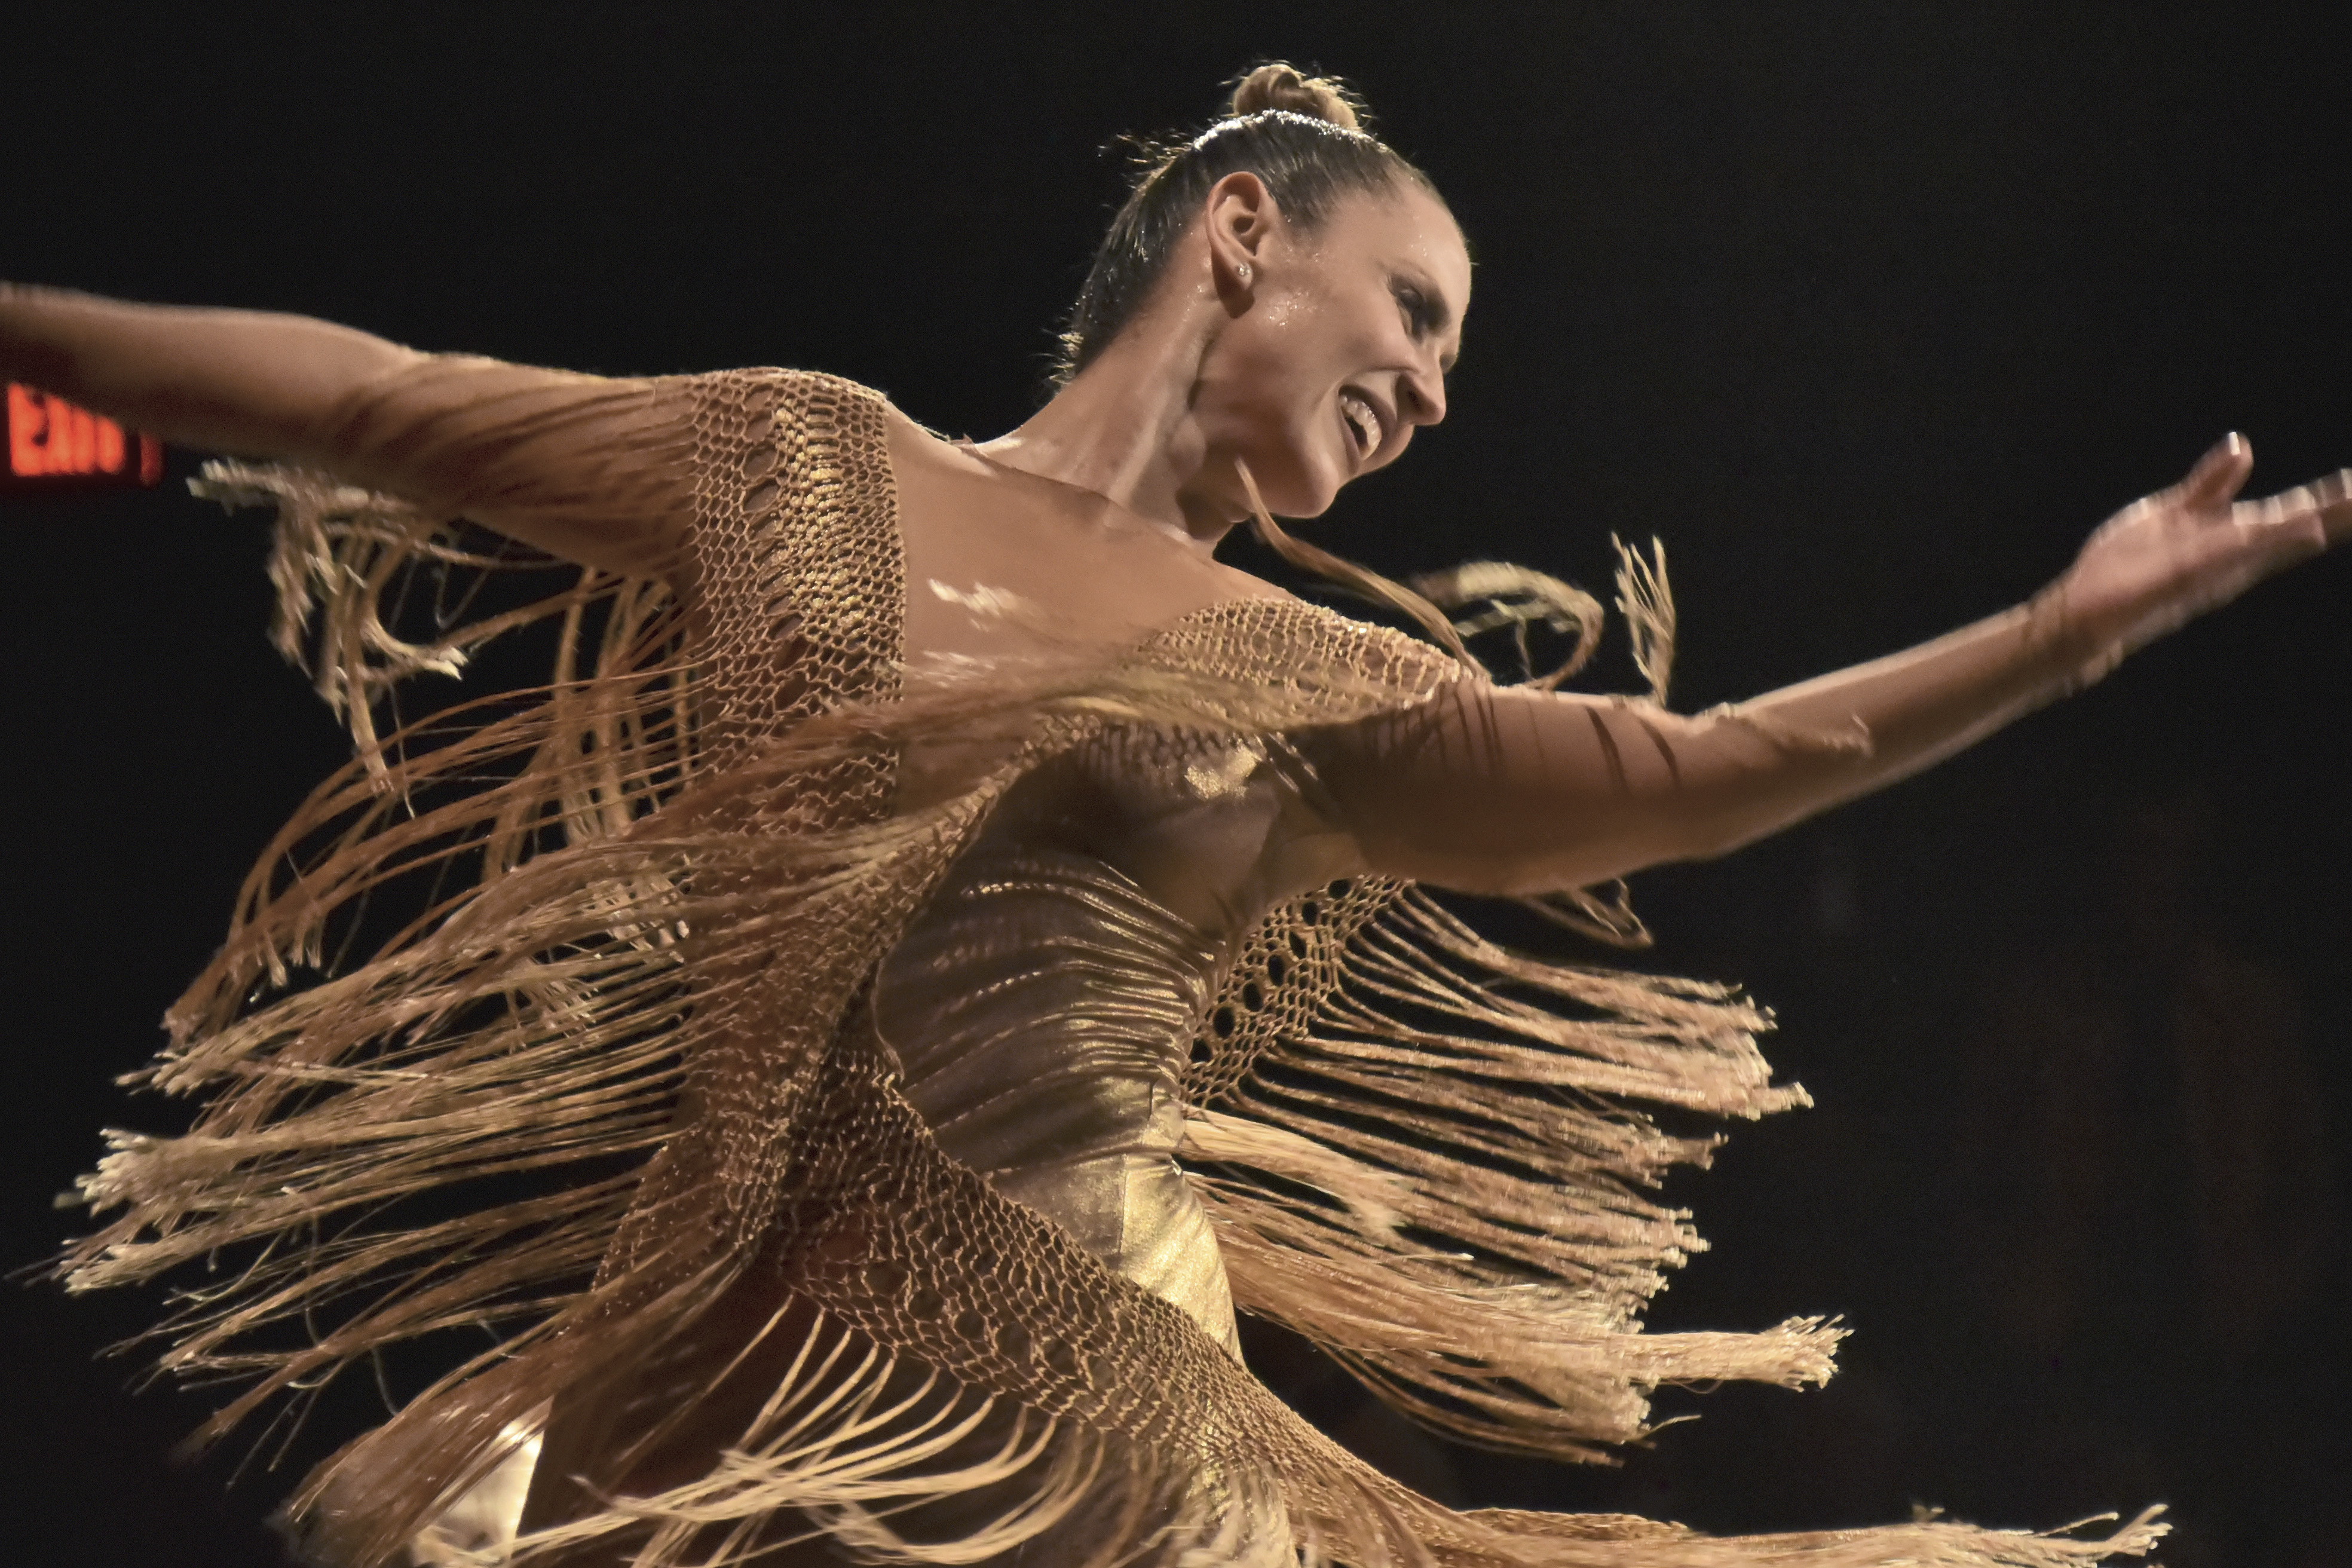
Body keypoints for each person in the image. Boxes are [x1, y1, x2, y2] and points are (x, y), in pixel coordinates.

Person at [5, 63, 2344, 1568]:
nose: (1434, 384)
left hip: (1089, 1425)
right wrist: (34, 324)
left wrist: (2068, 621)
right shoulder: (805, 467)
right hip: (711, 1369)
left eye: (1455, 357)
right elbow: (384, 396)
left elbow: (1702, 767)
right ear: (1243, 230)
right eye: (1411, 306)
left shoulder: (1317, 687)